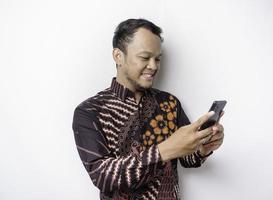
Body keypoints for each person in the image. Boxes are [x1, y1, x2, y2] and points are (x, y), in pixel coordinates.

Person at [72, 18, 225, 200]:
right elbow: (104, 177)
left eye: (157, 59)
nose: (153, 66)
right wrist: (165, 150)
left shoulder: (169, 103)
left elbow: (188, 159)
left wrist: (204, 147)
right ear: (118, 56)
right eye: (145, 57)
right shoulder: (89, 112)